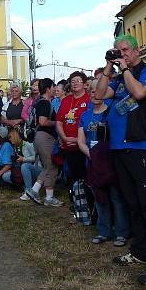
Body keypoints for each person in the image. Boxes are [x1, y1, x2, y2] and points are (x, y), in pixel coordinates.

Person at [93, 35, 146, 285]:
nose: (121, 54)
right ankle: (140, 250)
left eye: (125, 50)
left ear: (137, 50)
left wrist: (125, 69)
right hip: (119, 147)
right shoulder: (118, 76)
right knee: (133, 203)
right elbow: (99, 95)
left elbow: (139, 93)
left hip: (142, 146)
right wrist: (108, 67)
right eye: (117, 51)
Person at [78, 80, 129, 247]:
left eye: (97, 91)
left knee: (116, 197)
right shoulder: (85, 116)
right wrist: (92, 155)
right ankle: (103, 231)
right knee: (100, 198)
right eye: (91, 91)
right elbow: (81, 141)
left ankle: (121, 232)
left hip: (110, 163)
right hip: (93, 163)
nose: (94, 94)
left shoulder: (111, 112)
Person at [24, 78, 64, 207]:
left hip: (40, 136)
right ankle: (40, 193)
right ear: (48, 88)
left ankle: (44, 194)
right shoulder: (45, 103)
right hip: (45, 136)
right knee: (51, 166)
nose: (55, 89)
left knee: (48, 166)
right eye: (53, 87)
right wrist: (57, 123)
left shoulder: (38, 102)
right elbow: (42, 122)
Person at [56, 71, 90, 200]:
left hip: (83, 145)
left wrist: (79, 140)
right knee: (72, 175)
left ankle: (86, 203)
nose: (75, 83)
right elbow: (59, 121)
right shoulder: (66, 101)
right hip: (68, 145)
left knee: (84, 175)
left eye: (78, 80)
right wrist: (64, 137)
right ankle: (75, 202)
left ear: (85, 84)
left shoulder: (88, 99)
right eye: (72, 81)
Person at [12, 128, 41, 200]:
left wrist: (24, 159)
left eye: (10, 137)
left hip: (38, 169)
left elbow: (37, 157)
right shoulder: (16, 146)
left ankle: (29, 191)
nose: (9, 139)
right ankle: (25, 186)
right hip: (26, 170)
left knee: (25, 166)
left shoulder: (28, 144)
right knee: (7, 176)